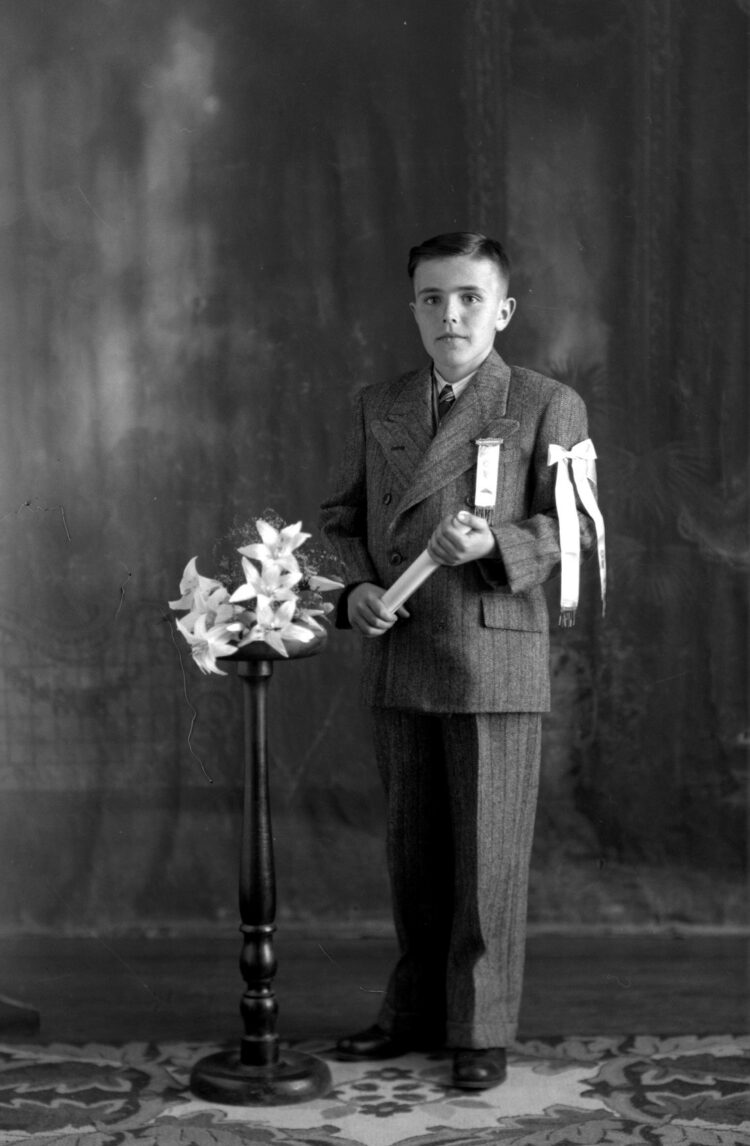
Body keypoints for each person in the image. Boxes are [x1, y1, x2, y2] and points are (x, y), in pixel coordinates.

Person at [319, 231, 598, 1090]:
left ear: (503, 309)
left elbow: (575, 532)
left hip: (493, 658)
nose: (452, 314)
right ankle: (413, 1012)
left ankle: (478, 1029)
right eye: (434, 298)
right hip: (403, 651)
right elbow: (340, 519)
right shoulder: (382, 405)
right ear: (413, 309)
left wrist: (494, 541)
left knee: (487, 862)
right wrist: (350, 591)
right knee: (413, 857)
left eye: (470, 298)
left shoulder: (547, 403)